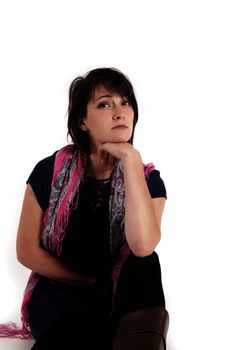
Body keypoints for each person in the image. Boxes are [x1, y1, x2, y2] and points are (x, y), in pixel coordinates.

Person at [0, 67, 169, 349]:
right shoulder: (49, 172)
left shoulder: (147, 179)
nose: (120, 112)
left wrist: (130, 159)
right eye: (105, 103)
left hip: (120, 295)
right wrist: (86, 280)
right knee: (75, 336)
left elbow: (142, 246)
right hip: (62, 297)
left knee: (146, 264)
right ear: (82, 122)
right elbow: (26, 250)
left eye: (125, 102)